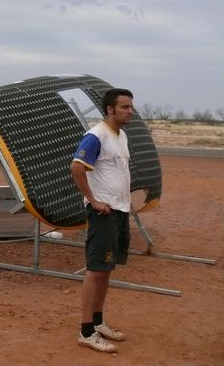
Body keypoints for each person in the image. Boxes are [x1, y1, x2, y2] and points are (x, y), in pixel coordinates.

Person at [71, 88, 135, 353]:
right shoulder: (96, 135)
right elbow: (76, 167)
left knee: (107, 268)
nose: (130, 111)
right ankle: (86, 331)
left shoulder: (121, 136)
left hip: (120, 210)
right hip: (103, 213)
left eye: (131, 107)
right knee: (96, 270)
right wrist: (93, 201)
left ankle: (98, 322)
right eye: (125, 107)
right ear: (110, 109)